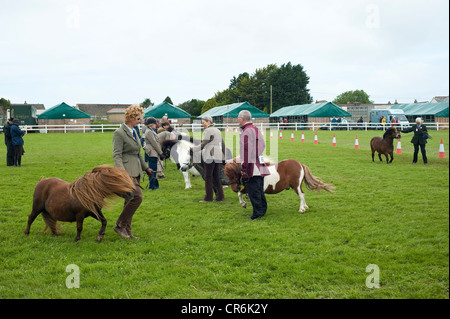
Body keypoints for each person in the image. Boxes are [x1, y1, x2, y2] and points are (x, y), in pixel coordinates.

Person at [113, 104, 154, 239]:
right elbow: (117, 155)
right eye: (138, 118)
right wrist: (123, 173)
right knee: (137, 197)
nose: (140, 120)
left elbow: (138, 153)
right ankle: (119, 225)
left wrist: (146, 167)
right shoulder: (119, 133)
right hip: (126, 173)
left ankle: (127, 232)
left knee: (129, 201)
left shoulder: (134, 131)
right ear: (130, 118)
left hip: (136, 171)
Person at [237, 110, 270, 220]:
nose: (237, 119)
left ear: (242, 118)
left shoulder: (246, 131)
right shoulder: (255, 129)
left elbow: (246, 151)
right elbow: (262, 145)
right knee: (259, 189)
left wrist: (244, 167)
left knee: (253, 191)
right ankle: (262, 209)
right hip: (258, 163)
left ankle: (257, 213)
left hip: (252, 165)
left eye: (238, 118)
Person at [193, 115, 225, 203]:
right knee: (216, 177)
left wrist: (193, 149)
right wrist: (224, 155)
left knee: (208, 177)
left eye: (203, 122)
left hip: (210, 155)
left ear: (208, 122)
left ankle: (208, 197)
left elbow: (203, 144)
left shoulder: (207, 131)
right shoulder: (218, 130)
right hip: (218, 155)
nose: (202, 124)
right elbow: (223, 144)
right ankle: (220, 197)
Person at [143, 117, 163, 190]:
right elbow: (154, 143)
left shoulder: (151, 131)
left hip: (153, 152)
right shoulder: (149, 132)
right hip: (152, 153)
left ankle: (154, 185)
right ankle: (152, 186)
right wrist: (160, 153)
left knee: (154, 169)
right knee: (152, 169)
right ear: (151, 124)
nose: (156, 125)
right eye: (155, 123)